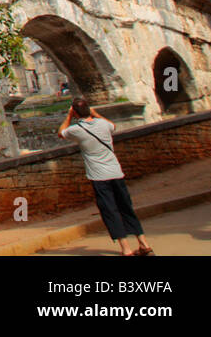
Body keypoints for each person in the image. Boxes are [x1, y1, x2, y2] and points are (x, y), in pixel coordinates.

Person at [59, 98, 153, 256]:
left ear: (75, 112)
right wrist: (96, 114)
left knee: (111, 211)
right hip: (116, 173)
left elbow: (61, 133)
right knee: (126, 208)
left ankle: (126, 249)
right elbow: (113, 125)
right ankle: (144, 243)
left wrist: (69, 116)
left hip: (99, 177)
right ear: (89, 110)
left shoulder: (77, 130)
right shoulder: (104, 125)